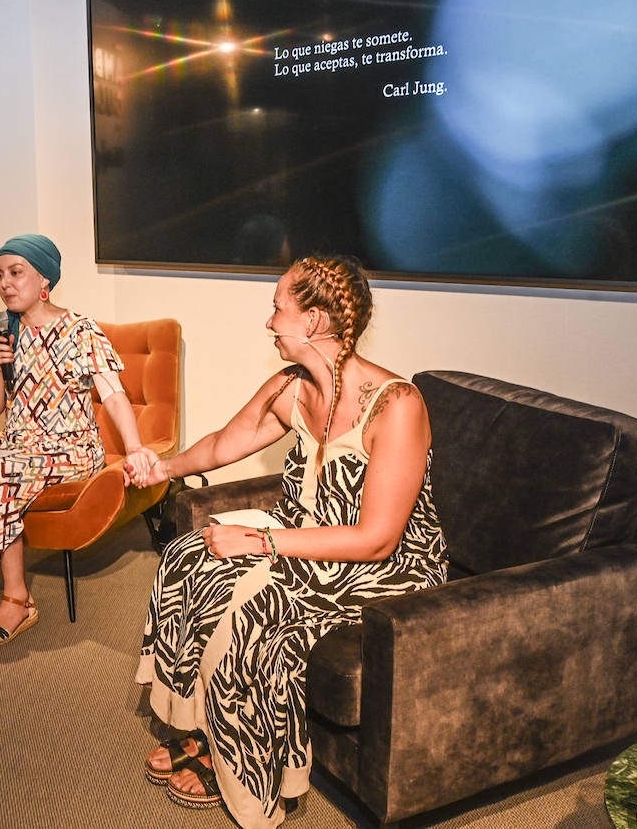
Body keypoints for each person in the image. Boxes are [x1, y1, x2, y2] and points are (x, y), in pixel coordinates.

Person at [128, 255, 447, 827]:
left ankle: (256, 776)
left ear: (316, 321)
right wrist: (164, 469)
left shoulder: (397, 406)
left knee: (256, 610)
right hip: (309, 532)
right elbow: (228, 442)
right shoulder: (290, 386)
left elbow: (377, 540)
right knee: (187, 559)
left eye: (279, 308)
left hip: (388, 563)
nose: (269, 321)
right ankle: (203, 727)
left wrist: (262, 544)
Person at [0, 233, 151, 650]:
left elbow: (115, 396)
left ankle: (19, 598)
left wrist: (136, 449)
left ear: (44, 279)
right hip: (18, 444)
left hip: (69, 451)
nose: (5, 284)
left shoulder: (80, 330)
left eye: (16, 273)